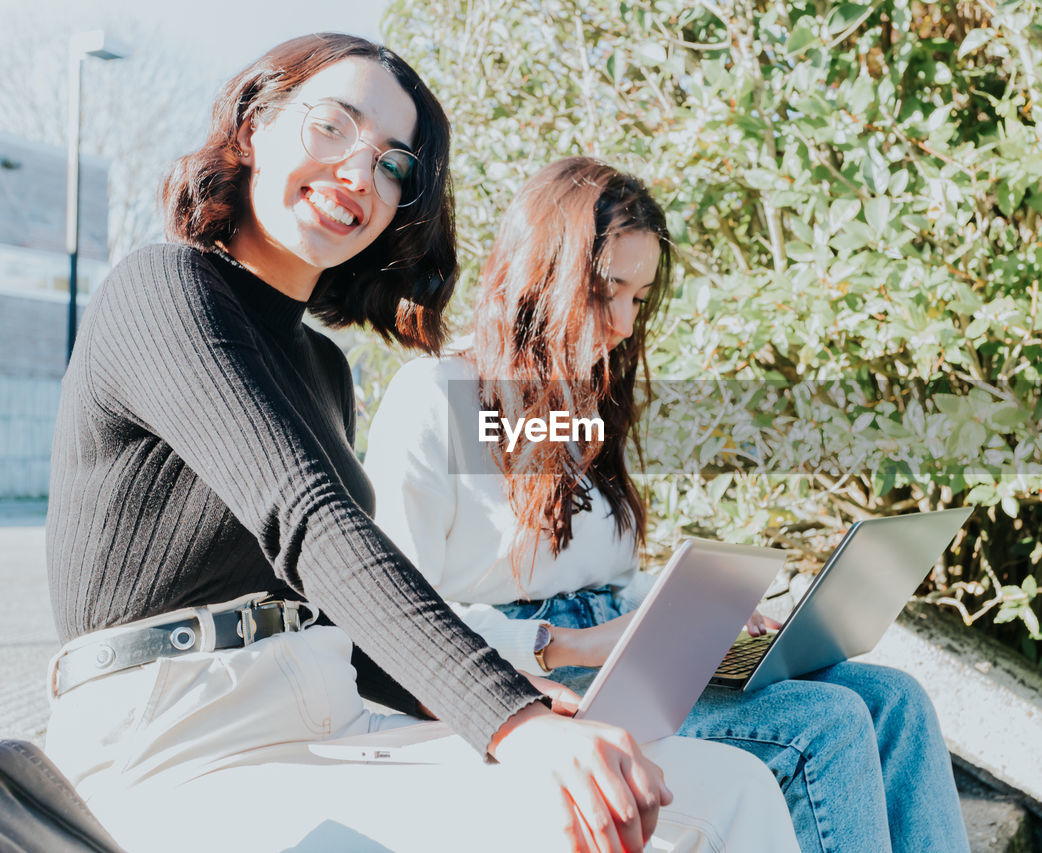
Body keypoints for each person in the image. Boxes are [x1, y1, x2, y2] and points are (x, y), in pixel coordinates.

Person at [43, 35, 799, 853]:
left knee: (727, 789)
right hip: (174, 740)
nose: (359, 175)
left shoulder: (323, 368)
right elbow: (310, 521)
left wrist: (523, 693)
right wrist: (511, 718)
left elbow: (334, 619)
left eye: (393, 165)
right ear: (255, 124)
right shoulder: (163, 289)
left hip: (333, 713)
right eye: (333, 126)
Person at [365, 157, 972, 852]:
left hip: (622, 661)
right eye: (606, 292)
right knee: (823, 725)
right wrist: (563, 643)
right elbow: (396, 618)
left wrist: (704, 611)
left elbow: (603, 579)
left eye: (640, 299)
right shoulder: (437, 396)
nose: (624, 323)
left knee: (896, 701)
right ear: (542, 276)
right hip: (527, 675)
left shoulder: (580, 408)